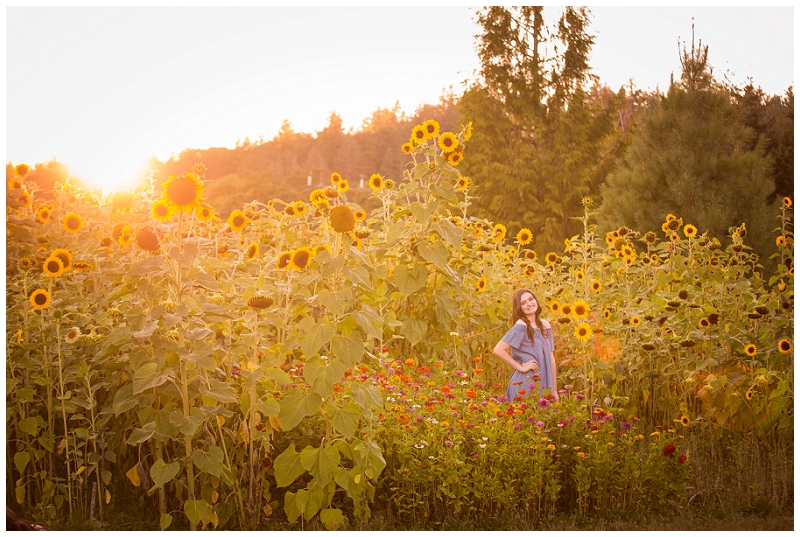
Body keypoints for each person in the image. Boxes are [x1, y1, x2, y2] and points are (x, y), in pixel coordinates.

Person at [493, 288, 558, 402]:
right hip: (527, 383)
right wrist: (521, 367)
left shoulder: (545, 325)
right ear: (520, 308)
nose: (529, 304)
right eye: (523, 303)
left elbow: (551, 359)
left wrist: (554, 391)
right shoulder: (521, 325)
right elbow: (498, 350)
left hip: (545, 381)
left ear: (536, 300)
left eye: (530, 299)